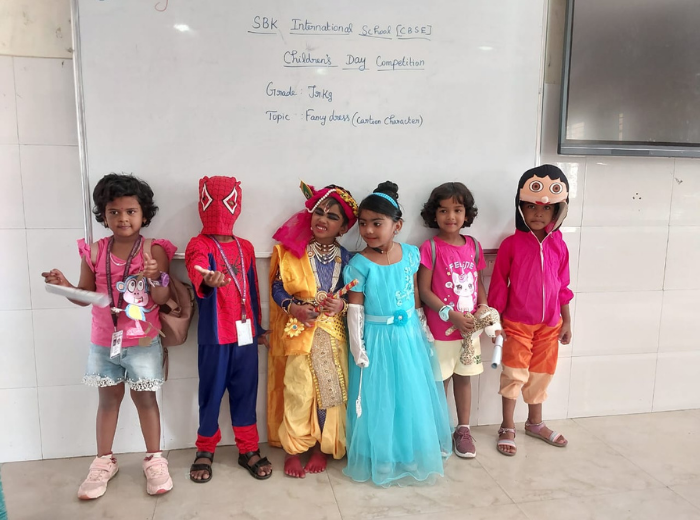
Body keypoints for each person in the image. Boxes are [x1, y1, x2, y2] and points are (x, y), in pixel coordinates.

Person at [42, 173, 175, 499]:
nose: (123, 218)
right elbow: (85, 296)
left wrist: (155, 277)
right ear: (103, 215)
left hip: (142, 341)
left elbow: (161, 298)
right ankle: (104, 461)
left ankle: (155, 459)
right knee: (108, 401)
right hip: (104, 341)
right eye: (114, 212)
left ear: (144, 214)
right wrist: (66, 287)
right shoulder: (94, 252)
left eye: (131, 211)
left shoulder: (154, 250)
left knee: (146, 399)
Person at [343, 181, 452, 487]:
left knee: (409, 395)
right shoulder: (359, 264)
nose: (368, 230)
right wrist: (358, 347)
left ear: (397, 226)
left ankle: (407, 450)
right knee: (380, 398)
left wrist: (423, 327)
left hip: (408, 338)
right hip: (376, 340)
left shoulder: (411, 255)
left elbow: (415, 294)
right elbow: (355, 309)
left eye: (377, 223)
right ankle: (383, 455)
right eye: (363, 223)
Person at [267, 182, 358, 478]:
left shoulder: (348, 258)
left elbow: (355, 297)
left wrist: (341, 305)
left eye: (333, 216)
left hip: (333, 335)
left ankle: (321, 447)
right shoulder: (292, 253)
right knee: (299, 390)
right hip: (301, 330)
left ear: (343, 227)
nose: (323, 219)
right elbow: (278, 287)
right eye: (319, 212)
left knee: (330, 393)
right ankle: (293, 449)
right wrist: (293, 308)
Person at [185, 176, 271, 482]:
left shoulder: (245, 246)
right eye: (212, 201)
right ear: (202, 203)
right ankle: (205, 448)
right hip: (215, 336)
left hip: (245, 336)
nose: (220, 209)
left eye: (227, 202)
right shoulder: (199, 244)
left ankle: (248, 448)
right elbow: (196, 267)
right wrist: (206, 279)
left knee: (246, 392)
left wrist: (258, 329)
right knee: (210, 393)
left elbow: (253, 289)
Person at [488, 164, 573, 456]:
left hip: (550, 325)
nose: (538, 213)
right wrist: (495, 323)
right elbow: (498, 286)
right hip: (516, 324)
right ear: (520, 208)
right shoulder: (511, 245)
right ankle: (507, 425)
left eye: (546, 208)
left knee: (541, 374)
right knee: (514, 373)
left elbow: (563, 286)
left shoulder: (559, 245)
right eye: (531, 206)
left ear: (557, 210)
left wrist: (566, 321)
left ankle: (535, 423)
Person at [417, 182, 487, 459]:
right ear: (433, 214)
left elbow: (478, 282)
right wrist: (451, 315)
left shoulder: (474, 246)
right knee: (440, 381)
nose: (451, 216)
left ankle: (463, 430)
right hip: (441, 332)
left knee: (464, 378)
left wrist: (483, 308)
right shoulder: (430, 248)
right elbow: (424, 291)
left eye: (457, 210)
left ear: (466, 214)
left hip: (469, 332)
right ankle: (438, 430)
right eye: (443, 210)